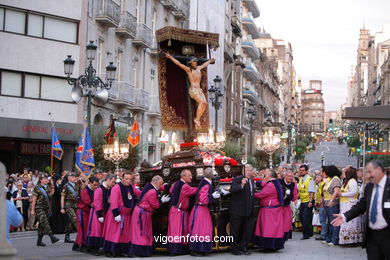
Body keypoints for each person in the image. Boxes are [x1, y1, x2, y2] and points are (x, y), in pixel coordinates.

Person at [332, 160, 390, 260]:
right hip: (372, 237)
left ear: (379, 170)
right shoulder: (369, 187)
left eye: (370, 172)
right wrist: (345, 216)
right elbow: (361, 206)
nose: (367, 176)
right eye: (366, 173)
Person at [164, 51, 215, 129]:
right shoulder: (189, 70)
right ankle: (197, 119)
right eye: (193, 62)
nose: (194, 63)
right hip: (193, 90)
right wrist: (170, 57)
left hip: (199, 90)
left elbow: (205, 64)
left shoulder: (199, 68)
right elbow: (178, 64)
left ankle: (197, 119)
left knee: (205, 104)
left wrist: (209, 61)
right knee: (202, 102)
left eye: (195, 62)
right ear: (191, 63)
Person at [129, 175, 171, 257]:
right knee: (142, 233)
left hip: (142, 212)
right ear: (155, 182)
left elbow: (159, 188)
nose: (161, 185)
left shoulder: (149, 186)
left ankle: (142, 251)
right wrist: (162, 201)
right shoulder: (152, 191)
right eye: (160, 183)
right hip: (142, 214)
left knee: (142, 232)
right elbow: (155, 205)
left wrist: (165, 186)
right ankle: (141, 252)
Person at [102, 171, 141, 257]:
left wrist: (147, 192)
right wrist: (116, 214)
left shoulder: (131, 186)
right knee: (114, 234)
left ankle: (122, 250)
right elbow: (114, 202)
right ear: (122, 178)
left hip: (126, 215)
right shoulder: (116, 188)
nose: (128, 181)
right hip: (117, 214)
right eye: (126, 179)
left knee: (124, 235)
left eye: (130, 179)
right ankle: (111, 250)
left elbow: (139, 193)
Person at [188, 168, 221, 256]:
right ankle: (197, 250)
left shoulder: (204, 182)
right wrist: (213, 197)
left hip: (199, 209)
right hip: (201, 210)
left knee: (199, 230)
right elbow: (203, 200)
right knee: (202, 230)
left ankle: (197, 249)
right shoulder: (206, 185)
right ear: (211, 176)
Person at [167, 169, 198, 255]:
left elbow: (170, 190)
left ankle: (174, 250)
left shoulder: (175, 184)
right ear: (183, 176)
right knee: (178, 231)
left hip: (174, 210)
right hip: (179, 212)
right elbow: (194, 191)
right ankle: (175, 251)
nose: (191, 177)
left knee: (174, 231)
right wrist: (202, 186)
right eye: (189, 175)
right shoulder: (185, 187)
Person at [253, 169, 285, 250]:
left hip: (270, 210)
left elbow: (261, 194)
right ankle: (273, 245)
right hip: (273, 209)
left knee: (268, 229)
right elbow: (264, 183)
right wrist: (255, 182)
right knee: (273, 229)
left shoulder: (270, 185)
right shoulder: (275, 182)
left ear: (269, 175)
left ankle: (268, 245)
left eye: (266, 174)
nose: (265, 175)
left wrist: (251, 193)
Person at [229, 164, 256, 255]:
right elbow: (232, 189)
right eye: (247, 170)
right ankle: (234, 249)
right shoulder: (238, 179)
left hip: (248, 210)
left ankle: (243, 246)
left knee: (248, 230)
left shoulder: (252, 180)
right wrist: (241, 185)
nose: (249, 172)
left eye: (250, 170)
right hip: (237, 210)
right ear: (243, 171)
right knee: (235, 231)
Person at [86, 174, 116, 256]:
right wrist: (99, 215)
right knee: (96, 231)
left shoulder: (110, 189)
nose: (114, 184)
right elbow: (97, 203)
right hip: (97, 213)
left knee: (102, 231)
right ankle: (93, 248)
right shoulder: (99, 190)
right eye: (113, 182)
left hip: (105, 212)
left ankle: (99, 247)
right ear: (108, 180)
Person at [30, 173, 60, 246]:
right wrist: (32, 210)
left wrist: (52, 185)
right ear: (40, 180)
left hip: (46, 208)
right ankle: (51, 236)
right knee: (45, 222)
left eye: (47, 179)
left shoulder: (48, 187)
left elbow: (51, 196)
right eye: (44, 179)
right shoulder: (37, 188)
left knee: (41, 225)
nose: (46, 180)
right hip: (39, 208)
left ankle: (39, 241)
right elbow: (34, 199)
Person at [73, 176, 100, 251]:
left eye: (97, 185)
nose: (96, 187)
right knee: (83, 229)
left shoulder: (95, 190)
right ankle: (82, 245)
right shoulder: (85, 191)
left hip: (89, 212)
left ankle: (76, 244)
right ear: (90, 183)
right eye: (94, 185)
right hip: (82, 212)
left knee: (87, 229)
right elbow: (88, 202)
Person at [337, 166, 363, 245]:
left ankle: (350, 240)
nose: (343, 173)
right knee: (345, 221)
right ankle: (345, 240)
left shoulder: (352, 181)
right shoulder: (346, 182)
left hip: (350, 203)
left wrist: (341, 194)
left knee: (350, 222)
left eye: (345, 172)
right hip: (345, 203)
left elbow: (353, 192)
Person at [322, 165, 341, 246]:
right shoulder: (330, 180)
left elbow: (336, 191)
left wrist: (331, 200)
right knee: (329, 222)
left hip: (332, 203)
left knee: (333, 221)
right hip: (327, 203)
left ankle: (334, 239)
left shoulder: (336, 179)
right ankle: (329, 238)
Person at [61, 172, 80, 243]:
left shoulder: (76, 185)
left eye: (75, 177)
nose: (74, 178)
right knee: (75, 219)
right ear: (68, 178)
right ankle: (81, 234)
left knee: (70, 221)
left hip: (75, 205)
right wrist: (62, 208)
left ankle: (67, 237)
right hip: (69, 205)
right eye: (72, 177)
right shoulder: (66, 186)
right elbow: (62, 197)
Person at [297, 164, 316, 240]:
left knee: (305, 218)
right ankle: (310, 232)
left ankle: (306, 235)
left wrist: (310, 201)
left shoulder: (310, 179)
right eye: (300, 170)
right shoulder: (301, 179)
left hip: (308, 201)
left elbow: (311, 191)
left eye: (302, 170)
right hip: (302, 201)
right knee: (301, 217)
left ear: (306, 171)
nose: (301, 172)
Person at [280, 170, 298, 241]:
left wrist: (290, 195)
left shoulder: (293, 184)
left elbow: (294, 197)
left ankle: (284, 237)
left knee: (287, 222)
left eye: (292, 176)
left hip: (287, 205)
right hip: (279, 206)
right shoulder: (279, 182)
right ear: (285, 176)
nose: (291, 178)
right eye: (289, 176)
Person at [315, 166, 329, 241]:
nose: (320, 174)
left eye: (321, 172)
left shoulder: (325, 182)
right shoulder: (321, 182)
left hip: (323, 203)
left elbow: (324, 193)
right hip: (320, 203)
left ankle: (324, 235)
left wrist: (321, 201)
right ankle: (323, 234)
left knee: (323, 220)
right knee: (322, 220)